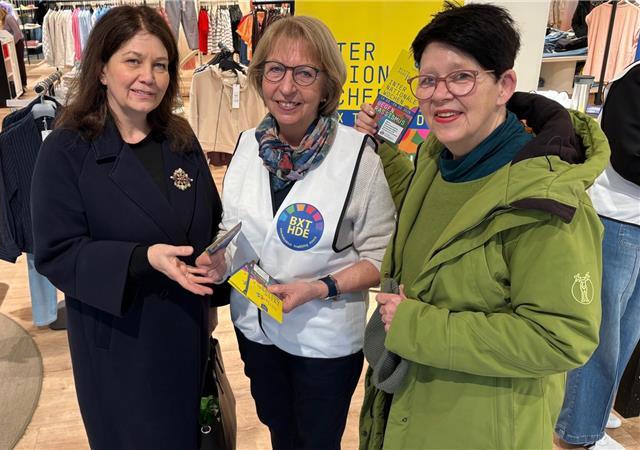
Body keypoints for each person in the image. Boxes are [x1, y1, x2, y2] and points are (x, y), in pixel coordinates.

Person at [354, 3, 608, 449]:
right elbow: (430, 215)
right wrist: (384, 150)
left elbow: (561, 338)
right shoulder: (440, 158)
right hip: (412, 405)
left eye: (461, 77)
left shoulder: (545, 202)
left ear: (504, 84)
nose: (439, 93)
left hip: (480, 427)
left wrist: (419, 326)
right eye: (428, 80)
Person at [30, 6, 226, 448]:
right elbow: (57, 252)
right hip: (120, 344)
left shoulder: (179, 137)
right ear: (101, 69)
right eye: (133, 61)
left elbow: (211, 220)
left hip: (186, 332)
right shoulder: (67, 150)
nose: (149, 77)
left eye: (160, 65)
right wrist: (144, 258)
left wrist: (218, 260)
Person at [197, 16, 396, 449]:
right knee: (278, 429)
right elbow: (234, 229)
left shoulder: (357, 157)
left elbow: (382, 258)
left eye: (305, 73)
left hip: (322, 341)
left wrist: (321, 287)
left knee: (317, 440)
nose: (287, 88)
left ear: (327, 86)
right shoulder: (248, 145)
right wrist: (218, 259)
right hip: (255, 329)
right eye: (276, 70)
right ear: (260, 76)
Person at [555, 60, 640, 450]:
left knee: (628, 330)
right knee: (603, 330)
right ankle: (579, 430)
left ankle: (595, 409)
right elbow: (625, 150)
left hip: (632, 219)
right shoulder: (635, 78)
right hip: (617, 217)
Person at [0, 4, 27, 88]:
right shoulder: (2, 20)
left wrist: (11, 44)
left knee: (19, 63)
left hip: (17, 43)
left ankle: (23, 84)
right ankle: (18, 84)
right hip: (11, 44)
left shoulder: (8, 18)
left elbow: (17, 32)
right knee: (14, 64)